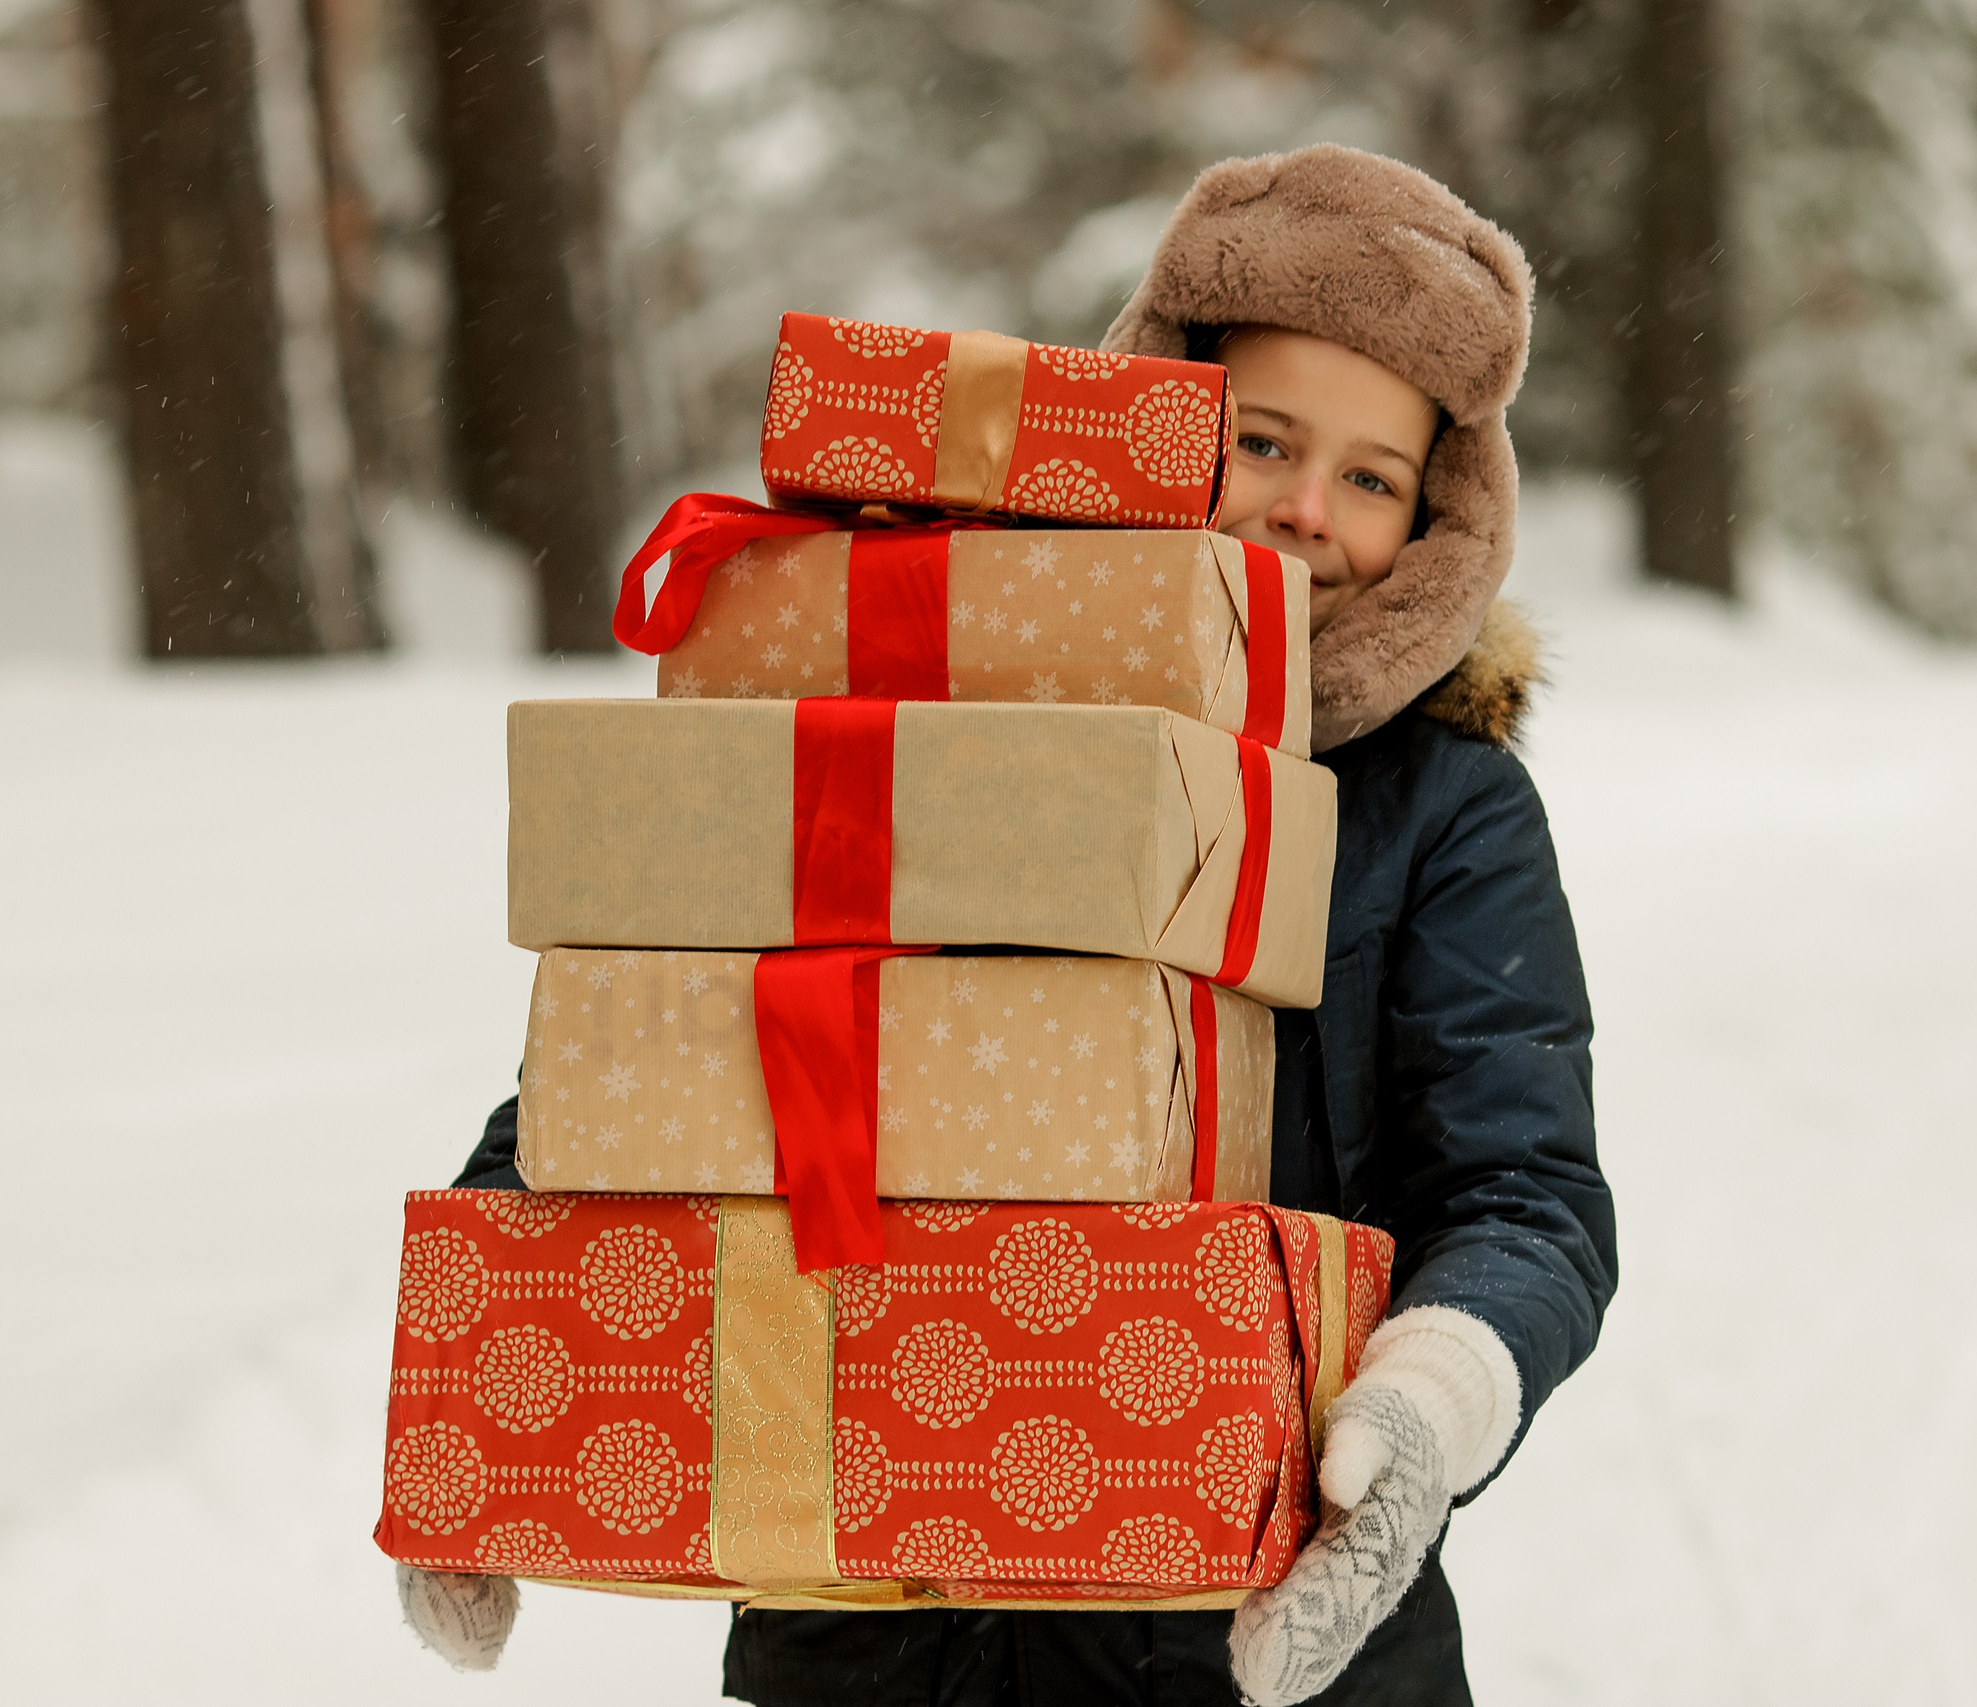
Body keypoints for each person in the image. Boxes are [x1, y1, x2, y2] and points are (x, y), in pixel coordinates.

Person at [408, 144, 1616, 1706]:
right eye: (1262, 441)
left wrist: (1417, 1420)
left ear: (1433, 525)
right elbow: (657, 1056)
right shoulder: (939, 719)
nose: (1307, 511)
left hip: (1258, 1643)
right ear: (1152, 426)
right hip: (862, 1599)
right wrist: (488, 1397)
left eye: (1373, 478)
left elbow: (1526, 1191)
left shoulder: (1438, 809)